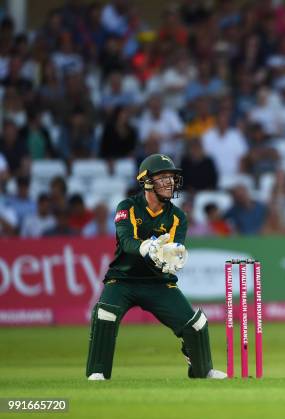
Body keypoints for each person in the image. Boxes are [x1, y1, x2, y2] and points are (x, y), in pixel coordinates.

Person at [86, 153, 226, 381]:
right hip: (123, 280)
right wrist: (146, 247)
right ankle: (98, 372)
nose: (170, 182)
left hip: (158, 282)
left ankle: (203, 369)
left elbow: (175, 246)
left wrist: (170, 257)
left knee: (196, 325)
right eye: (163, 177)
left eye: (171, 177)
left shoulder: (178, 216)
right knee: (105, 315)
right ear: (147, 181)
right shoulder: (128, 207)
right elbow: (126, 240)